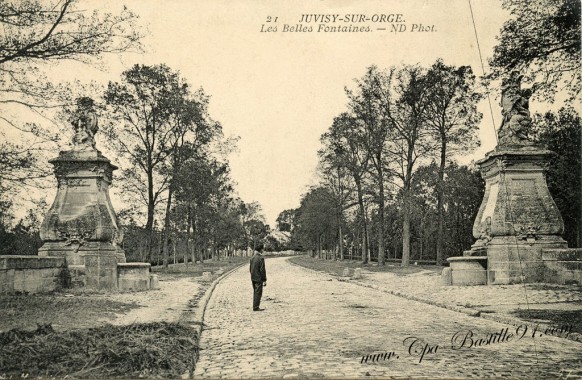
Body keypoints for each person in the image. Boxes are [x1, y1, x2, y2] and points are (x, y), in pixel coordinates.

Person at [249, 243, 267, 311]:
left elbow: (250, 268)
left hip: (253, 277)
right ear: (261, 250)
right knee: (258, 292)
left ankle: (255, 305)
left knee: (255, 291)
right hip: (259, 278)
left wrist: (252, 275)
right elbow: (262, 270)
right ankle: (256, 307)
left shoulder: (252, 258)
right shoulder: (261, 258)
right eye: (263, 249)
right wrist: (264, 279)